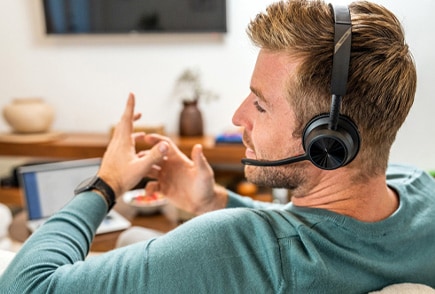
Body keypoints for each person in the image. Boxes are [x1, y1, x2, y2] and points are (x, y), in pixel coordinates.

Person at [1, 0, 435, 293]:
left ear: (327, 141)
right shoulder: (419, 193)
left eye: (261, 105)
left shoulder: (228, 249)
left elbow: (26, 284)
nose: (238, 117)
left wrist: (106, 183)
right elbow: (316, 232)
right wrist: (213, 200)